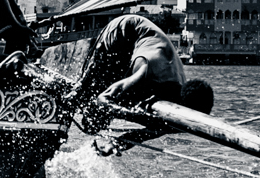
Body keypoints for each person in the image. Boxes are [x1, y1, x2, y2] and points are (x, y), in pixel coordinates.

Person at [67, 12, 214, 116]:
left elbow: (160, 128)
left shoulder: (179, 89)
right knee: (91, 98)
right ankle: (72, 95)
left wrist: (119, 143)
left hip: (148, 44)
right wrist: (130, 114)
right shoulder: (148, 70)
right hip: (123, 30)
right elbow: (103, 98)